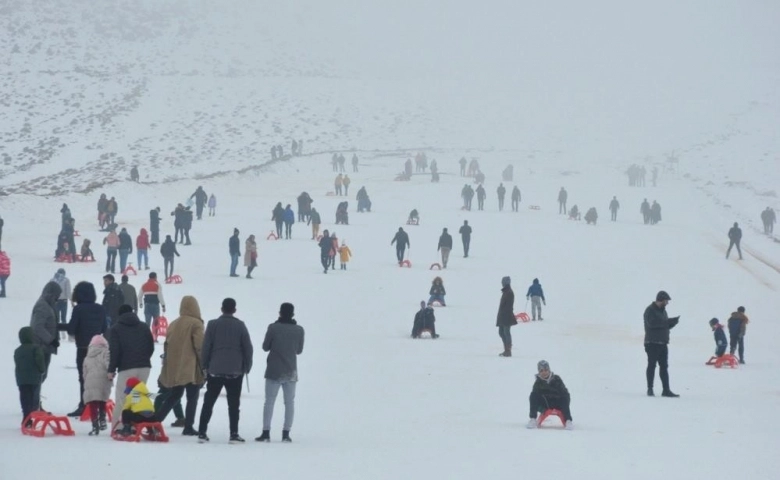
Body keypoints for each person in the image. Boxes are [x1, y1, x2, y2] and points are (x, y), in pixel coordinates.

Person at [197, 298, 254, 444]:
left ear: (221, 309)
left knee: (209, 401)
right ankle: (233, 433)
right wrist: (247, 366)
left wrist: (204, 365)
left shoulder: (213, 324)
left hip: (215, 368)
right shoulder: (240, 325)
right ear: (234, 310)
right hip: (235, 370)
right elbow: (248, 348)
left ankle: (202, 432)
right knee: (234, 404)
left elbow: (206, 346)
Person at [154, 296, 205, 436]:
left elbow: (167, 345)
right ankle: (188, 426)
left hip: (174, 367)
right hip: (190, 367)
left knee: (174, 395)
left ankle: (157, 420)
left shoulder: (174, 323)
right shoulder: (196, 324)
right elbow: (199, 346)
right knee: (192, 397)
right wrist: (204, 365)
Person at [255, 302, 305, 443]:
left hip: (274, 370)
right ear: (293, 314)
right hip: (290, 370)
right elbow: (299, 350)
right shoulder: (299, 330)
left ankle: (266, 433)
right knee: (289, 402)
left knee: (269, 402)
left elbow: (265, 347)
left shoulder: (273, 328)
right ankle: (286, 433)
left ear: (280, 313)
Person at [108, 304, 155, 430]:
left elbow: (115, 351)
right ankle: (135, 425)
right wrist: (144, 359)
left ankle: (118, 426)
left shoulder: (116, 329)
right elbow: (151, 347)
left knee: (122, 398)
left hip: (126, 368)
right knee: (138, 395)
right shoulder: (144, 326)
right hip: (145, 367)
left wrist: (111, 370)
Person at [66, 281, 108, 417]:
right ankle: (98, 406)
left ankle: (83, 405)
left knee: (83, 377)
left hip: (83, 347)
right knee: (97, 377)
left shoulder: (78, 309)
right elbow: (104, 329)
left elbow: (71, 329)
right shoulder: (101, 308)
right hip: (99, 348)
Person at [30, 281, 64, 404]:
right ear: (51, 293)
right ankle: (34, 404)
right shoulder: (42, 306)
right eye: (56, 296)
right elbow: (37, 327)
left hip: (45, 347)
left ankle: (35, 402)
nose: (57, 299)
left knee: (42, 376)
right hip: (40, 346)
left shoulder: (48, 305)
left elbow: (50, 324)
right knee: (39, 376)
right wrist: (51, 340)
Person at [643, 290, 680, 397]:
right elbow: (652, 324)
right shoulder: (649, 310)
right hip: (652, 343)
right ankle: (650, 389)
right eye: (666, 301)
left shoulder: (663, 311)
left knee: (664, 366)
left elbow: (664, 325)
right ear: (661, 300)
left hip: (663, 343)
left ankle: (666, 390)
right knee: (652, 365)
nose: (667, 303)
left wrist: (672, 323)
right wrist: (668, 322)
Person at [526, 360, 573, 430]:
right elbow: (535, 398)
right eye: (541, 371)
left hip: (557, 402)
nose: (544, 372)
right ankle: (533, 419)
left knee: (565, 396)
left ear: (549, 370)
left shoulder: (556, 379)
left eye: (545, 370)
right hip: (546, 404)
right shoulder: (538, 382)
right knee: (533, 395)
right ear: (539, 372)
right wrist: (542, 409)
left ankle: (568, 420)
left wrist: (560, 399)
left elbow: (564, 393)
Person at [15, 326, 45, 425]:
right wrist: (42, 370)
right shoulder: (36, 348)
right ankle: (31, 416)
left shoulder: (18, 350)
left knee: (24, 397)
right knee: (33, 397)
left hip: (21, 379)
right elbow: (39, 360)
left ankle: (25, 416)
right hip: (34, 378)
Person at [82, 334, 112, 435]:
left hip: (90, 380)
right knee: (102, 399)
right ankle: (102, 418)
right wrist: (111, 374)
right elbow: (108, 364)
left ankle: (95, 425)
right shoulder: (106, 352)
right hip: (103, 379)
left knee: (93, 403)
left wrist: (86, 380)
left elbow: (84, 371)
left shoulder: (87, 356)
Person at [496, 276, 516, 357]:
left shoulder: (509, 292)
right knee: (501, 332)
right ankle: (506, 350)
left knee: (506, 332)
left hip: (506, 317)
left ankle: (508, 351)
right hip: (503, 316)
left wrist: (505, 315)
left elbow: (508, 306)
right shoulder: (506, 291)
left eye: (503, 282)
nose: (502, 283)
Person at [51, 268, 72, 339]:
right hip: (64, 301)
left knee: (56, 318)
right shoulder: (66, 280)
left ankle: (57, 334)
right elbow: (68, 292)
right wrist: (72, 300)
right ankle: (64, 333)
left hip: (55, 301)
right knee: (63, 318)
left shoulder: (53, 280)